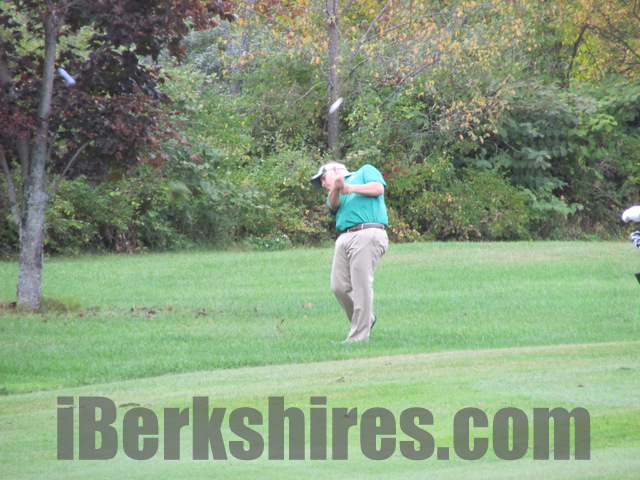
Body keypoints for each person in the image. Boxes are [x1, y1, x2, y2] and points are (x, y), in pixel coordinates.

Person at [310, 161, 389, 342]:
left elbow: (378, 188)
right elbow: (333, 206)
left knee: (361, 285)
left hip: (368, 231)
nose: (323, 184)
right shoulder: (334, 192)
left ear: (335, 170)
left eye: (323, 178)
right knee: (338, 286)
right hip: (344, 236)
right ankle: (367, 318)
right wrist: (336, 188)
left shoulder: (364, 172)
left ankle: (359, 337)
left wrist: (350, 188)